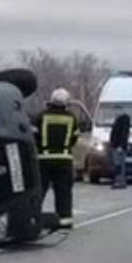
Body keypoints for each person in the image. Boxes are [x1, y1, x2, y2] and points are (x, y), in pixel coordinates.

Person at [34, 88, 79, 229]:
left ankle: (33, 219)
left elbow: (35, 136)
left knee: (39, 191)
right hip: (64, 159)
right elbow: (74, 138)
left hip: (43, 159)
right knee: (63, 192)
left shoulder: (41, 116)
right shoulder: (71, 118)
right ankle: (64, 221)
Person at [109, 113, 132, 189]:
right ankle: (120, 181)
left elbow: (123, 135)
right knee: (119, 164)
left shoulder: (122, 122)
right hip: (117, 146)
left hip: (118, 146)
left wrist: (120, 146)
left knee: (119, 164)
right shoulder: (122, 122)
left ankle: (120, 181)